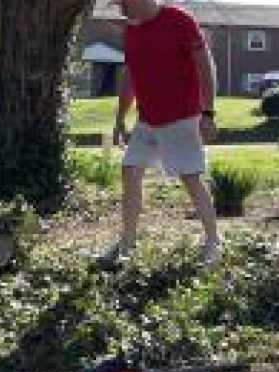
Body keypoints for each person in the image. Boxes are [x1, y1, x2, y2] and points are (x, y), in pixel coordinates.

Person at [107, 0, 221, 265]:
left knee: (190, 178)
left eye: (123, 3)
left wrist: (208, 113)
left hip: (183, 117)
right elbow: (130, 76)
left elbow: (206, 66)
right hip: (148, 119)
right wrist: (120, 117)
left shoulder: (179, 20)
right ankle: (127, 243)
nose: (120, 10)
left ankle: (213, 242)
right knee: (130, 170)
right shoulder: (132, 30)